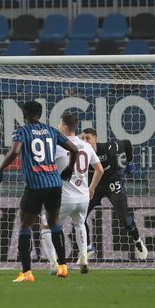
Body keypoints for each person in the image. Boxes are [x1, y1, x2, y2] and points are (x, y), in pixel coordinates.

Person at [0, 101, 79, 283]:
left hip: (35, 185)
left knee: (25, 226)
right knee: (54, 223)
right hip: (54, 183)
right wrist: (70, 169)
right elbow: (74, 149)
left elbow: (14, 152)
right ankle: (63, 267)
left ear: (24, 114)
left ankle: (26, 273)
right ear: (40, 114)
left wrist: (0, 169)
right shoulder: (51, 131)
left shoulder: (22, 131)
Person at [40, 113, 104, 275]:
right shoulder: (87, 146)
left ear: (64, 127)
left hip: (64, 197)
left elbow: (44, 166)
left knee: (46, 224)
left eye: (60, 124)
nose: (58, 126)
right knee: (79, 224)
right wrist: (92, 188)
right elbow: (100, 170)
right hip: (83, 197)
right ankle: (83, 258)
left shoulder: (59, 146)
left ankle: (54, 263)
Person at [81, 128, 148, 260]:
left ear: (95, 139)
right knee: (79, 217)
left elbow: (127, 143)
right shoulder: (80, 153)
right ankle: (89, 247)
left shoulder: (109, 148)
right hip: (94, 187)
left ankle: (138, 242)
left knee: (124, 218)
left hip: (112, 183)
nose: (85, 141)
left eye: (87, 138)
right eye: (82, 138)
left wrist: (129, 162)